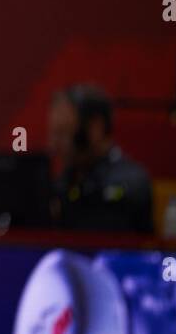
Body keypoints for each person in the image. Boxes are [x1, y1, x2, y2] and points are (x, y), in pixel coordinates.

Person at [47, 84, 153, 234]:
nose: (54, 145)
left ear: (95, 128)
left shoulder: (131, 182)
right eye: (54, 134)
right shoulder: (63, 183)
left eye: (64, 133)